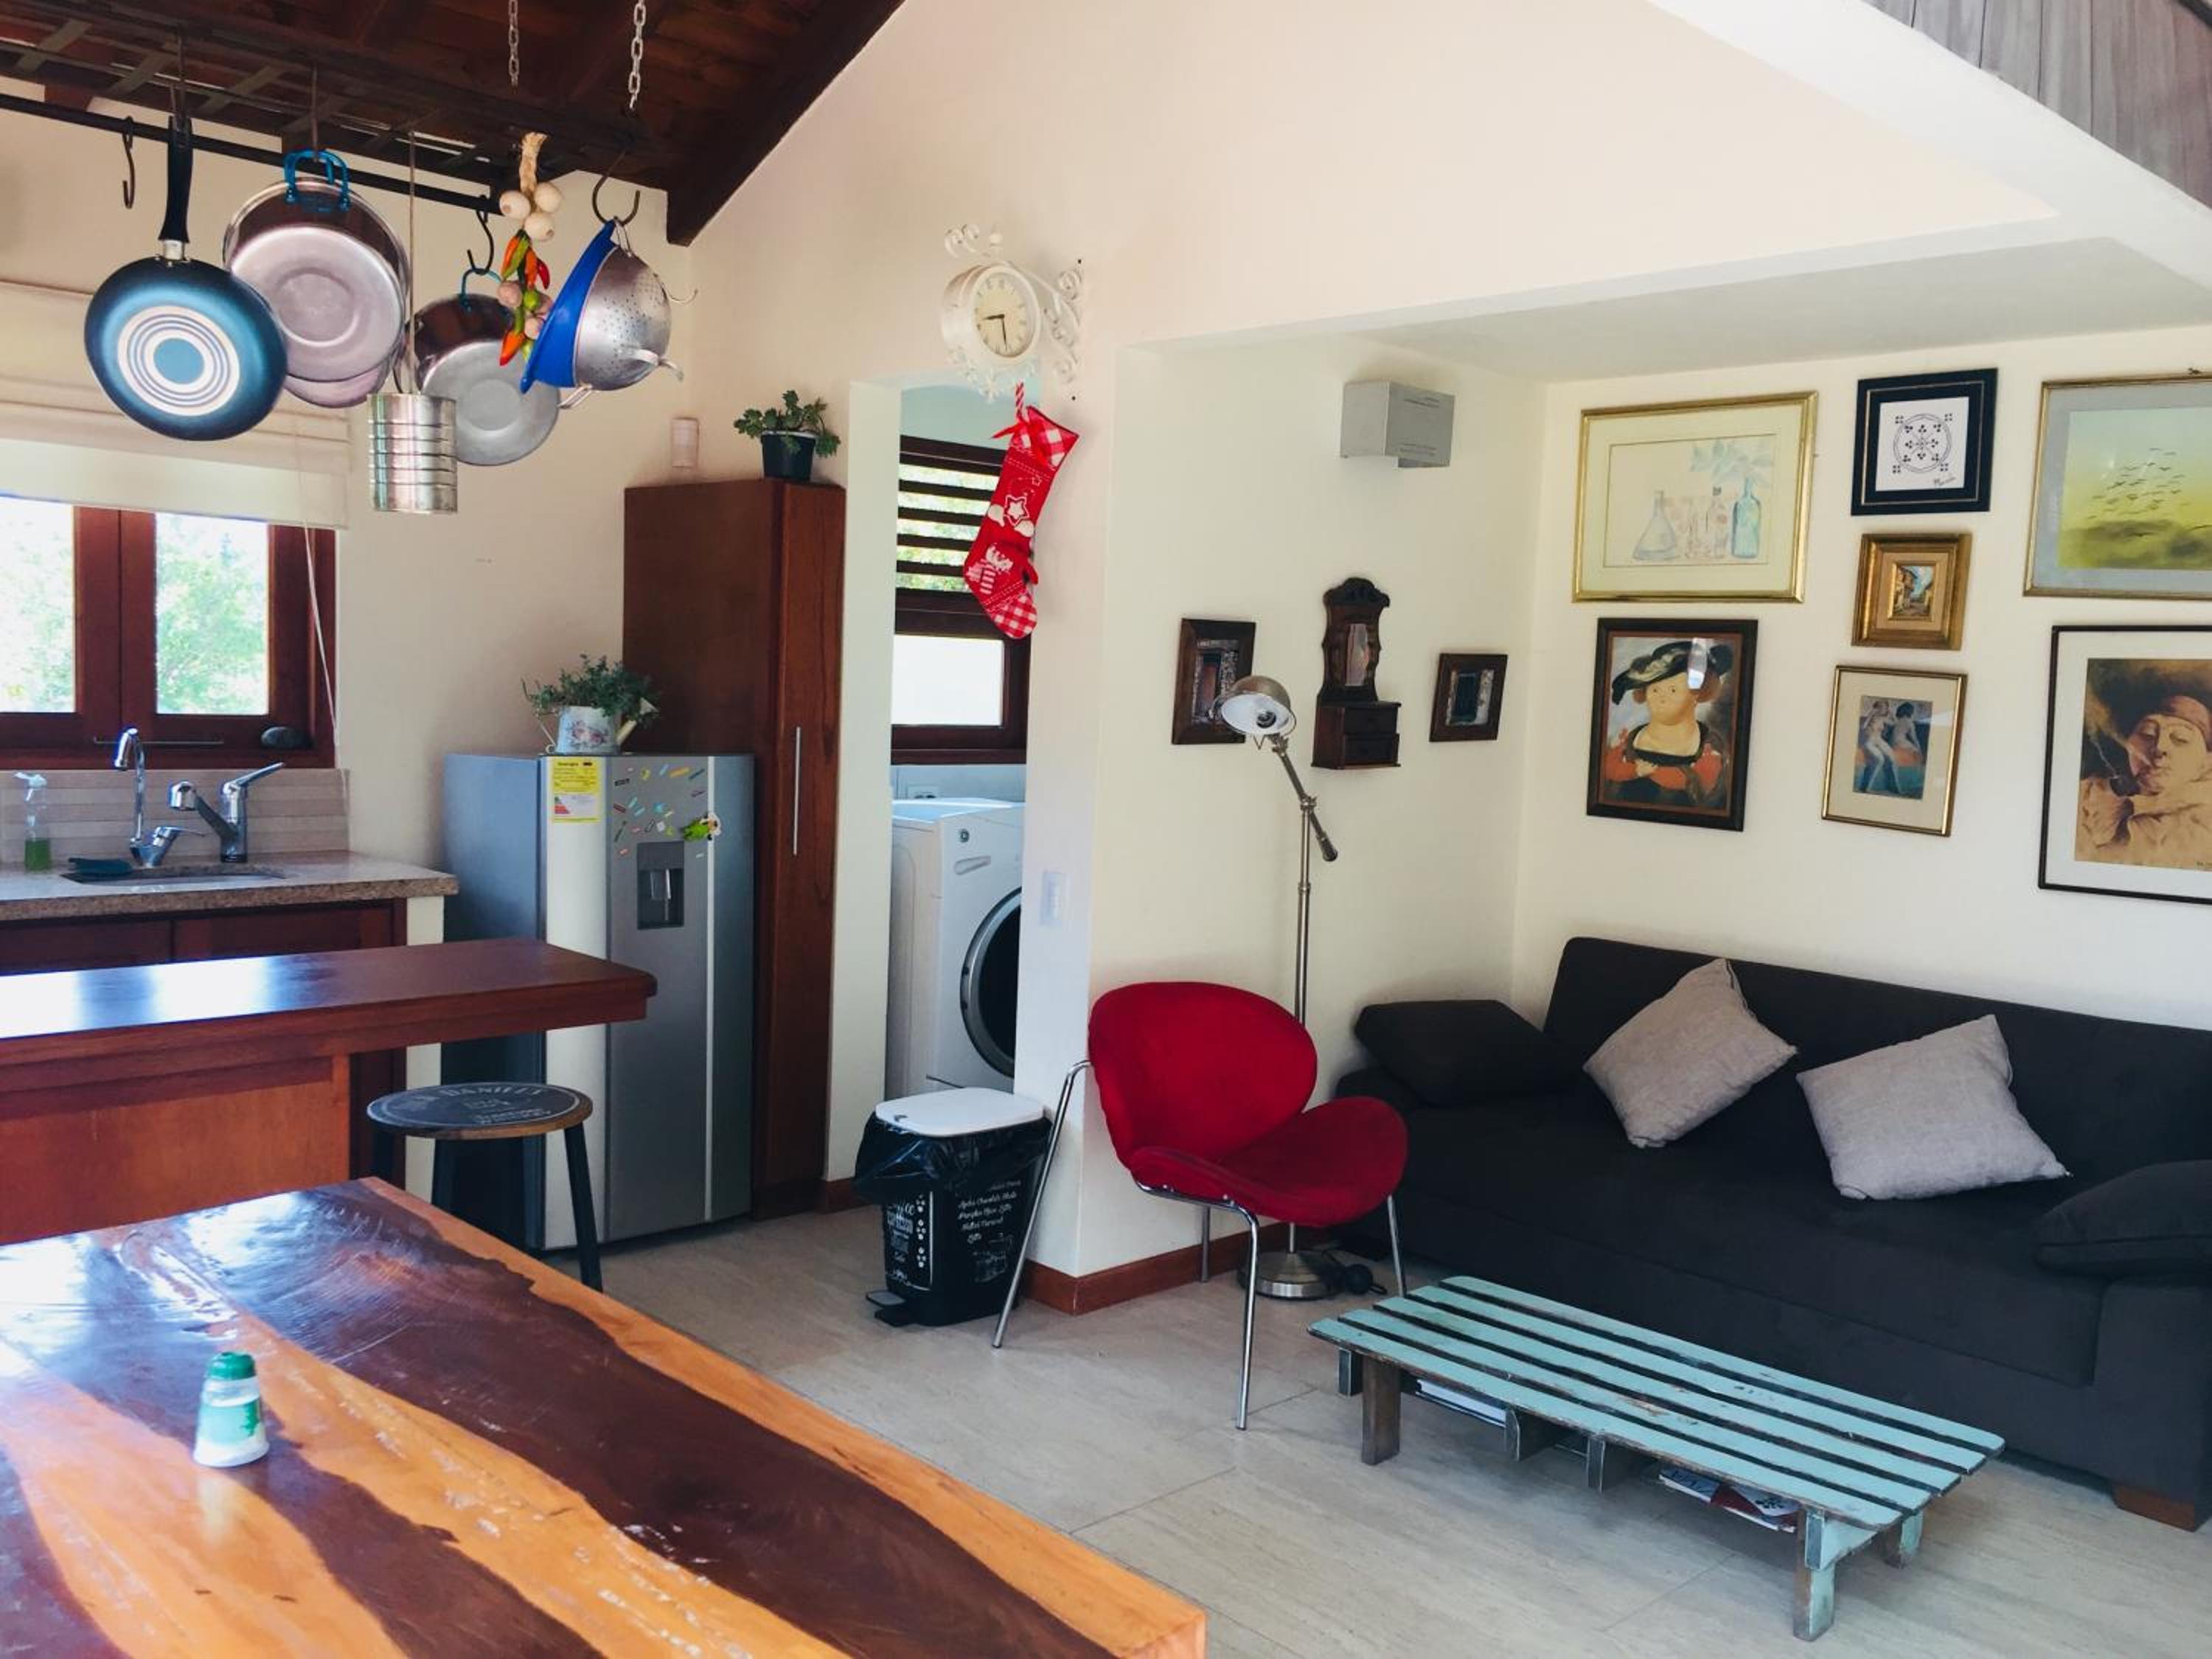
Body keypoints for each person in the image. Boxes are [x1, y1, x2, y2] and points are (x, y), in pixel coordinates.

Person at [2079, 692, 2212, 868]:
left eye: (2181, 738)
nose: (2160, 747)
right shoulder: (2086, 797)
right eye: (2147, 734)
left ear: (2207, 761)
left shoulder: (2204, 820)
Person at [1599, 639, 1733, 810]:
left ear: (1697, 694)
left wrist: (1652, 772)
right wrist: (1634, 771)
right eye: (1655, 690)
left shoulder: (1710, 747)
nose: (1661, 698)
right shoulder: (1625, 743)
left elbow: (1707, 789)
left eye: (1673, 690)